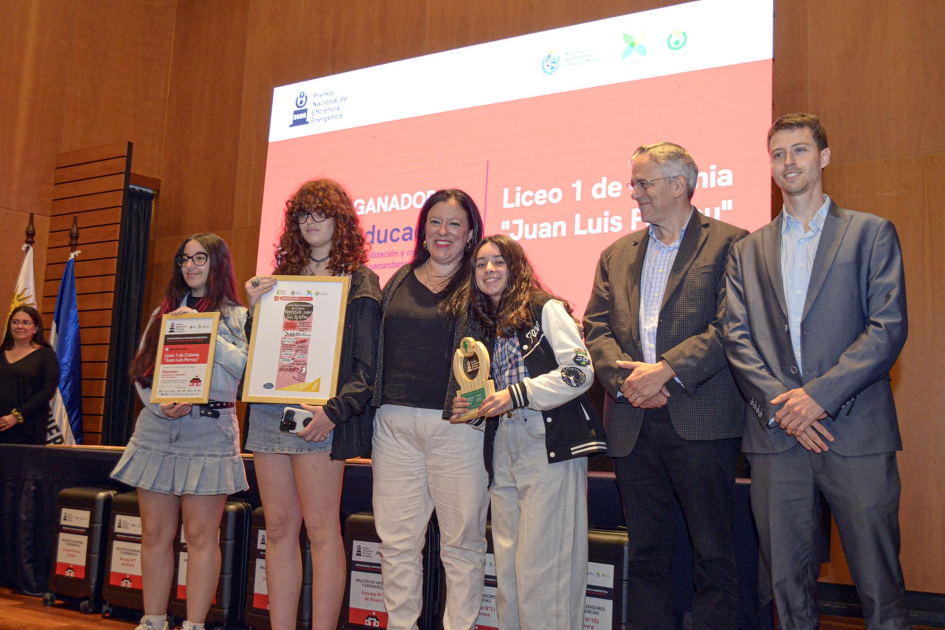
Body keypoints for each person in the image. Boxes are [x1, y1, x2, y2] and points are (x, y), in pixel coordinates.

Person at [724, 113, 911, 629]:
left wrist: (818, 399)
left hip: (855, 435)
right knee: (787, 590)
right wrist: (789, 409)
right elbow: (737, 340)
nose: (789, 163)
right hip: (777, 440)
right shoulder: (746, 251)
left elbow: (887, 329)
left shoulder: (870, 234)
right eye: (779, 154)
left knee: (879, 585)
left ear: (823, 158)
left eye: (800, 151)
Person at [583, 142, 747, 629]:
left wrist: (667, 370)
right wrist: (629, 381)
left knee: (714, 553)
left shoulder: (730, 243)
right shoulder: (616, 254)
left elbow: (731, 325)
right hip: (632, 422)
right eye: (634, 183)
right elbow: (595, 329)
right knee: (648, 554)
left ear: (680, 185)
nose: (635, 193)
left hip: (702, 419)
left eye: (644, 183)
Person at [448, 235, 606, 630]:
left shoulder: (544, 308)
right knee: (509, 573)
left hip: (546, 441)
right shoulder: (488, 325)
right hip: (506, 444)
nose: (489, 270)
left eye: (498, 261)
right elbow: (495, 393)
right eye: (481, 264)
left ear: (516, 266)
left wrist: (517, 394)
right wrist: (473, 408)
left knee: (544, 572)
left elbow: (580, 371)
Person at [244, 179, 381, 630]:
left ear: (340, 220)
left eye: (320, 213)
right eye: (302, 214)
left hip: (322, 417)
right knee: (279, 529)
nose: (311, 222)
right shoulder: (278, 282)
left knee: (322, 532)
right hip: (269, 412)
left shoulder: (360, 281)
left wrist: (334, 412)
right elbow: (260, 352)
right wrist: (253, 309)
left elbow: (367, 365)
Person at [111, 234, 249, 630]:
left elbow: (249, 373)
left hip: (210, 432)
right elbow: (142, 370)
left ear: (218, 263)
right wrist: (159, 404)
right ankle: (152, 621)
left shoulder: (238, 317)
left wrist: (208, 334)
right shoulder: (163, 313)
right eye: (184, 259)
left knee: (202, 536)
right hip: (157, 429)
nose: (189, 266)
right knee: (154, 533)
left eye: (199, 258)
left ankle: (194, 625)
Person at [370, 189, 487, 630]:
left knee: (461, 546)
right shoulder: (398, 279)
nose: (443, 232)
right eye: (435, 222)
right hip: (394, 424)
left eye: (454, 224)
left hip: (457, 427)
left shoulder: (482, 280)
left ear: (471, 231)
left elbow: (503, 347)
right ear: (422, 229)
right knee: (396, 544)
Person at [0, 305, 59, 444]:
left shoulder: (46, 355)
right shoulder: (1, 353)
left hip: (29, 429)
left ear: (36, 328)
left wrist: (17, 416)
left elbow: (47, 392)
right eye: (15, 322)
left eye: (26, 323)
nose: (20, 326)